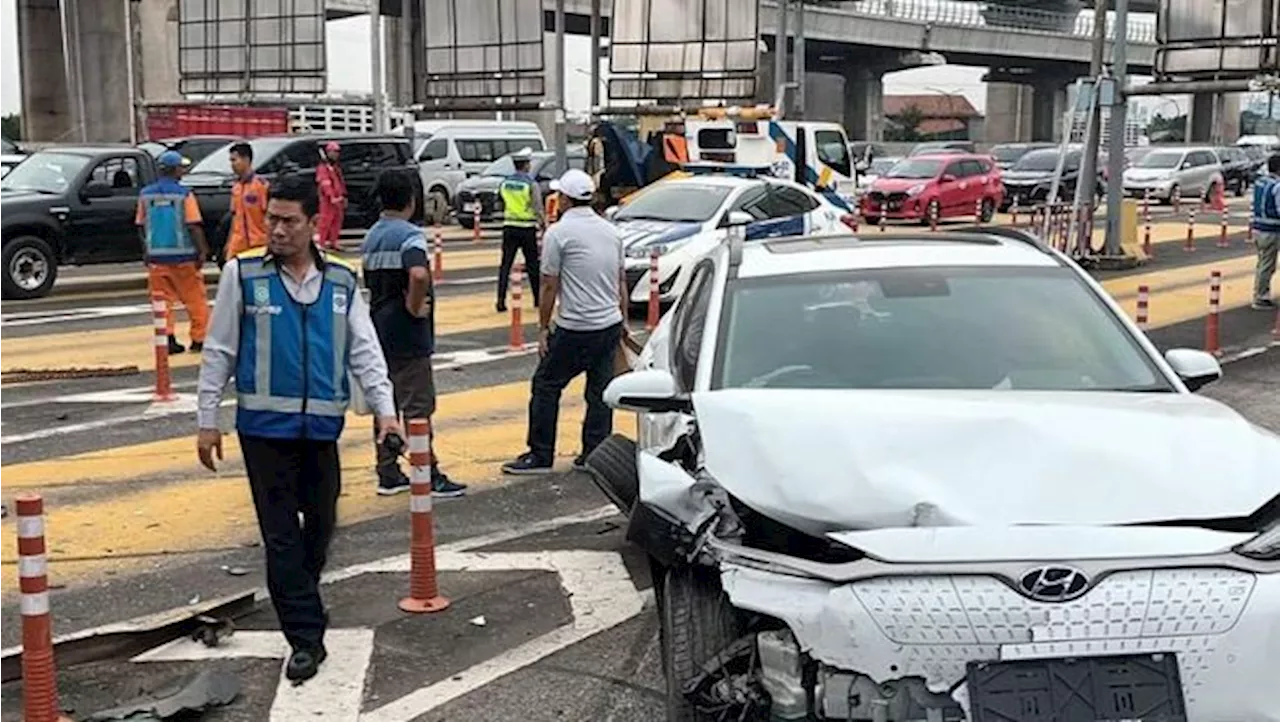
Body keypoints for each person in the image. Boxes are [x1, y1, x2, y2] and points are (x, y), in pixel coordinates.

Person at [195, 174, 402, 683]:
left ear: (314, 223)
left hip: (321, 428)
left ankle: (300, 596)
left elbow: (364, 349)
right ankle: (306, 637)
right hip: (264, 430)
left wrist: (386, 410)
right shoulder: (243, 276)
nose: (277, 229)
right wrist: (207, 419)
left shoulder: (340, 280)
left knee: (323, 522)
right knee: (282, 535)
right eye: (272, 218)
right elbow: (219, 349)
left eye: (289, 221)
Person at [502, 169, 629, 475]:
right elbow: (620, 281)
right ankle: (594, 453)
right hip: (608, 323)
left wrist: (543, 328)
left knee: (546, 385)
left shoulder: (559, 233)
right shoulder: (611, 231)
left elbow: (548, 284)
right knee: (599, 390)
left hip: (576, 326)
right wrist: (622, 322)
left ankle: (540, 454)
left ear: (565, 199)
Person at [361, 168, 467, 498]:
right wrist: (413, 305)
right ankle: (427, 470)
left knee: (386, 403)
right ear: (411, 199)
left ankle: (388, 471)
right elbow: (419, 274)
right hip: (409, 333)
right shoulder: (409, 234)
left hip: (378, 328)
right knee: (418, 406)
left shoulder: (372, 236)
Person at [136, 150, 211, 355]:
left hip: (157, 257)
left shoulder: (146, 195)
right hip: (184, 256)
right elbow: (194, 225)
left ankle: (167, 338)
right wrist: (202, 251)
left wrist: (146, 251)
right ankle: (199, 339)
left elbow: (141, 226)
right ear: (175, 169)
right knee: (195, 299)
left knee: (162, 301)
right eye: (181, 167)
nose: (183, 171)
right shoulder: (184, 194)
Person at [496, 147, 545, 312]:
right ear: (526, 165)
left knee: (505, 265)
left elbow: (501, 201)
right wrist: (544, 224)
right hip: (526, 228)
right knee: (532, 266)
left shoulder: (505, 183)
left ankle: (500, 300)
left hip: (509, 226)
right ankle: (538, 300)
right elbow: (538, 207)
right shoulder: (531, 184)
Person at [223, 142, 271, 259]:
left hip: (258, 244)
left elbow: (269, 216)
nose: (232, 164)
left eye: (234, 160)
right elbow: (235, 218)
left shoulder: (261, 186)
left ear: (246, 159)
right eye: (231, 161)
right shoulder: (236, 188)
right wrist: (229, 243)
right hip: (238, 245)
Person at [1253, 154, 1280, 310]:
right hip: (1272, 230)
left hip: (1258, 228)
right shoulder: (1277, 186)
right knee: (1267, 265)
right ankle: (1261, 297)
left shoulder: (1260, 182)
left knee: (1262, 263)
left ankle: (1259, 293)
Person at [316, 142, 347, 251]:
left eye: (337, 152)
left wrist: (343, 195)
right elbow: (325, 183)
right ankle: (321, 242)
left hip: (338, 198)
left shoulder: (335, 167)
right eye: (333, 152)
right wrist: (331, 196)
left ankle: (334, 241)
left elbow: (340, 182)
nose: (335, 154)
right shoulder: (323, 168)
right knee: (326, 221)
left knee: (337, 220)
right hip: (328, 200)